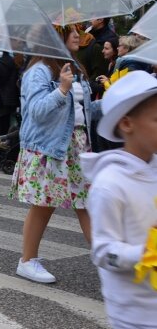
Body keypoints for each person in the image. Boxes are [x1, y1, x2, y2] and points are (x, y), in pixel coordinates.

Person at [11, 25, 101, 283]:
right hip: (50, 147)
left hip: (77, 144)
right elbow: (37, 112)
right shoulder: (38, 70)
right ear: (53, 38)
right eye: (69, 32)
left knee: (87, 203)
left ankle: (108, 262)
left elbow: (81, 110)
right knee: (44, 205)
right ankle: (27, 261)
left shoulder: (73, 66)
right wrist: (61, 89)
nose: (77, 35)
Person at [80, 70, 157, 329]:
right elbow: (103, 252)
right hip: (134, 314)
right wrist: (145, 253)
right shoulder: (110, 185)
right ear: (126, 124)